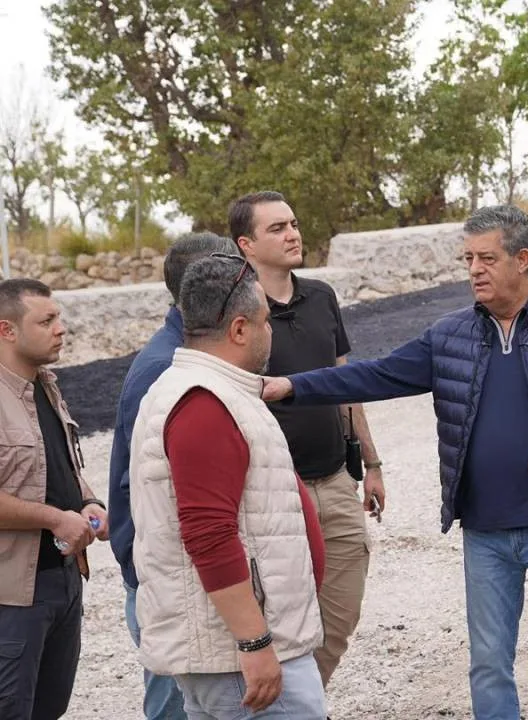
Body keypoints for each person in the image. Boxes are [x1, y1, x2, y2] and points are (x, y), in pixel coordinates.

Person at [262, 204, 528, 719]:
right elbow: (372, 376)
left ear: (522, 259)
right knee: (488, 662)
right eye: (468, 258)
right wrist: (292, 387)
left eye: (487, 258)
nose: (474, 270)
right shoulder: (448, 336)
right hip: (484, 532)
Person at [129, 255, 327, 718]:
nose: (270, 331)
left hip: (239, 650)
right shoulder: (204, 401)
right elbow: (208, 532)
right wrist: (254, 641)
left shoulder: (214, 391)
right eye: (265, 320)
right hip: (238, 657)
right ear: (239, 329)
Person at [228, 190, 384, 688]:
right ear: (246, 244)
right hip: (272, 495)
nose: (293, 234)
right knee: (282, 616)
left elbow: (347, 384)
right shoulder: (236, 313)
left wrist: (373, 465)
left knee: (340, 613)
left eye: (293, 224)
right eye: (277, 228)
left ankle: (300, 702)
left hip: (336, 480)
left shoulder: (322, 297)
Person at [107, 231, 238, 719]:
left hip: (179, 582)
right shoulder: (164, 369)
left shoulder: (192, 356)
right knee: (175, 711)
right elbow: (149, 494)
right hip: (169, 588)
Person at [0, 278, 109, 720]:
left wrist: (89, 503)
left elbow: (61, 467)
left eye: (59, 317)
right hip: (12, 596)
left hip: (63, 579)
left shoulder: (47, 385)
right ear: (6, 330)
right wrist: (52, 519)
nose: (61, 328)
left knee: (49, 709)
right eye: (46, 321)